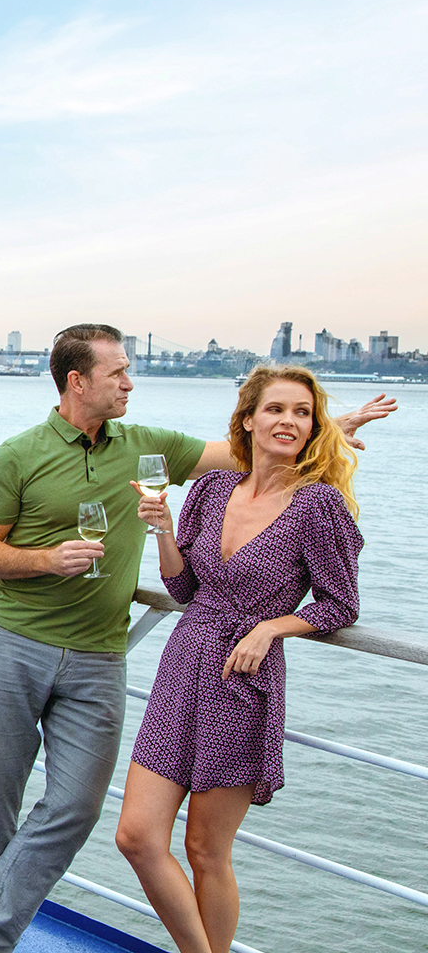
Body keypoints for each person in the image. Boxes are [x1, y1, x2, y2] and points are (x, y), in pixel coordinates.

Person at [0, 325, 390, 953]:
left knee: (80, 809)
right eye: (118, 373)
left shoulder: (149, 447)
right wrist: (49, 559)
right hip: (20, 642)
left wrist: (335, 426)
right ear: (77, 381)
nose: (130, 382)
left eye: (129, 371)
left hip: (110, 657)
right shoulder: (18, 454)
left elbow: (249, 447)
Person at [114, 365, 361, 953]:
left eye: (302, 413)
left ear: (312, 428)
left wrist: (273, 626)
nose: (289, 422)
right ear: (248, 419)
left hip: (242, 683)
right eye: (276, 409)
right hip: (183, 666)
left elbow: (340, 602)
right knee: (138, 836)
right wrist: (165, 533)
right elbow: (183, 589)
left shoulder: (318, 507)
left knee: (205, 848)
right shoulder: (212, 488)